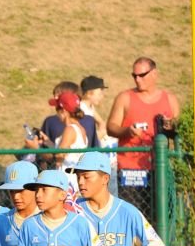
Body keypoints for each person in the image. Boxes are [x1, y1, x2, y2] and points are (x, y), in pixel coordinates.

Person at [106, 57, 180, 220]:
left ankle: (159, 245)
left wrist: (171, 127)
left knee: (161, 217)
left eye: (142, 75)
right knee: (133, 217)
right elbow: (111, 126)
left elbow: (179, 130)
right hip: (130, 168)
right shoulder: (125, 97)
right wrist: (127, 131)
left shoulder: (169, 99)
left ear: (154, 74)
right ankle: (135, 245)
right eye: (134, 76)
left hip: (161, 168)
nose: (137, 79)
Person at [79, 75, 117, 192]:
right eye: (100, 92)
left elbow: (102, 124)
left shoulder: (89, 107)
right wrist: (101, 135)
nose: (102, 96)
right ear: (89, 93)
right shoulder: (82, 110)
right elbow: (88, 138)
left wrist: (101, 129)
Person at [49, 90, 88, 186]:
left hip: (66, 180)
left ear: (64, 111)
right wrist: (47, 142)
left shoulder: (70, 129)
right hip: (75, 179)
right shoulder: (80, 128)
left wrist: (37, 148)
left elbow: (59, 157)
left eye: (57, 110)